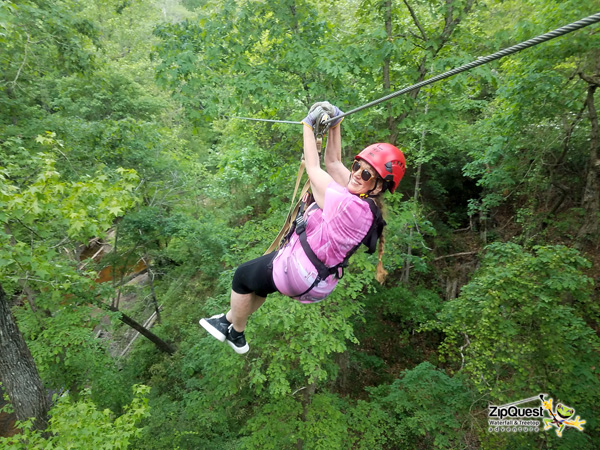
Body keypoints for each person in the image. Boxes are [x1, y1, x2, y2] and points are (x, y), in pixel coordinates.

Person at [199, 102, 406, 354]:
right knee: (260, 284)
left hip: (300, 273)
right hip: (316, 277)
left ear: (380, 186)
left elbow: (314, 168)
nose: (356, 174)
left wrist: (308, 126)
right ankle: (228, 320)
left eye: (366, 175)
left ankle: (237, 333)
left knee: (242, 277)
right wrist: (335, 124)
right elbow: (332, 162)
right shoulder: (366, 203)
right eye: (357, 166)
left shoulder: (348, 206)